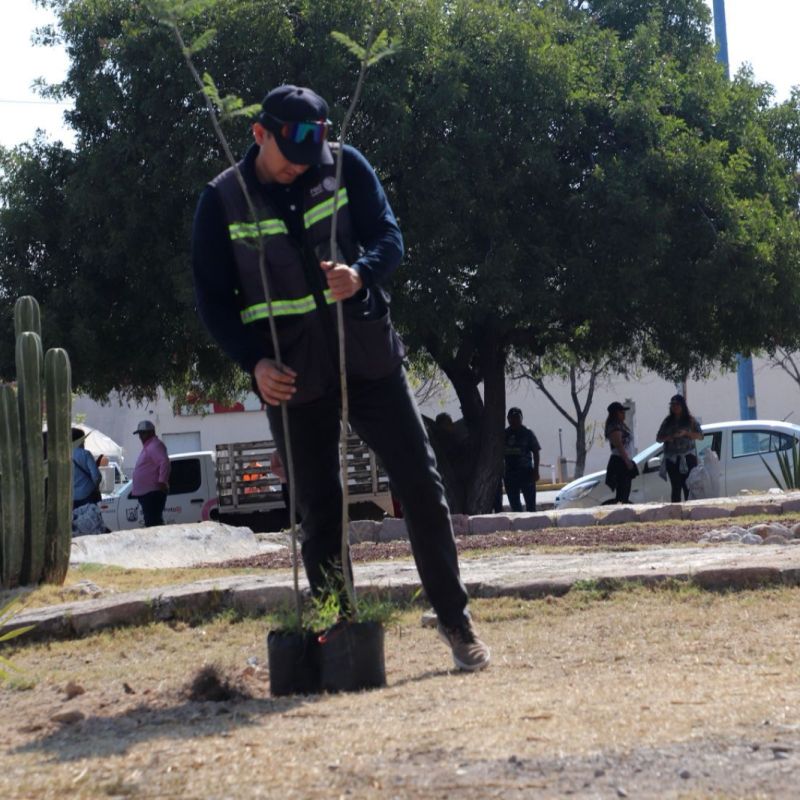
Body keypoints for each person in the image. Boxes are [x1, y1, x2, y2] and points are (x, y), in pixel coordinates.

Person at [191, 84, 489, 671]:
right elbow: (213, 302)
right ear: (259, 135)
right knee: (321, 509)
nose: (303, 167)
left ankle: (456, 622)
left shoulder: (346, 165)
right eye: (290, 155)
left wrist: (362, 273)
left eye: (312, 155)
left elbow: (389, 238)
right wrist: (253, 362)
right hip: (291, 378)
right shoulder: (222, 201)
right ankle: (339, 639)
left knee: (423, 489)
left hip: (370, 362)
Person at [656, 394, 703, 502]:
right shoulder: (667, 421)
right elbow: (658, 438)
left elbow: (700, 436)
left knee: (688, 486)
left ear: (682, 405)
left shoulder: (690, 420)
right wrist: (669, 437)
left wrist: (686, 433)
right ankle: (676, 511)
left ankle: (689, 509)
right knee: (676, 487)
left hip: (688, 458)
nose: (675, 407)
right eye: (673, 405)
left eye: (677, 404)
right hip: (672, 459)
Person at [131, 420, 171, 527]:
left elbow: (164, 462)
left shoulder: (155, 445)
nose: (140, 437)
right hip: (148, 493)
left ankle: (158, 543)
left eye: (143, 433)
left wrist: (162, 481)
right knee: (152, 521)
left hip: (152, 492)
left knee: (153, 522)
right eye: (139, 434)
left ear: (151, 433)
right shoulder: (150, 446)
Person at [503, 408, 541, 512]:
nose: (514, 420)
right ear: (508, 419)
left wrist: (536, 471)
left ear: (521, 418)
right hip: (510, 474)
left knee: (531, 506)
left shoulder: (528, 433)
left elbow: (536, 452)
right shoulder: (504, 434)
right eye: (512, 418)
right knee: (515, 506)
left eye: (517, 417)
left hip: (526, 473)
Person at [603, 401, 637, 504]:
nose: (624, 414)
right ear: (616, 413)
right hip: (619, 461)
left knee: (626, 488)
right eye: (621, 412)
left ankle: (623, 507)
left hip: (624, 459)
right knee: (622, 490)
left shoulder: (621, 425)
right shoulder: (614, 427)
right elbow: (619, 445)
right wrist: (627, 461)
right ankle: (621, 509)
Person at [72, 429, 102, 509]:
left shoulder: (64, 456)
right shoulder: (85, 454)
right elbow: (96, 476)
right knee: (91, 519)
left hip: (72, 498)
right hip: (88, 495)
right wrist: (96, 486)